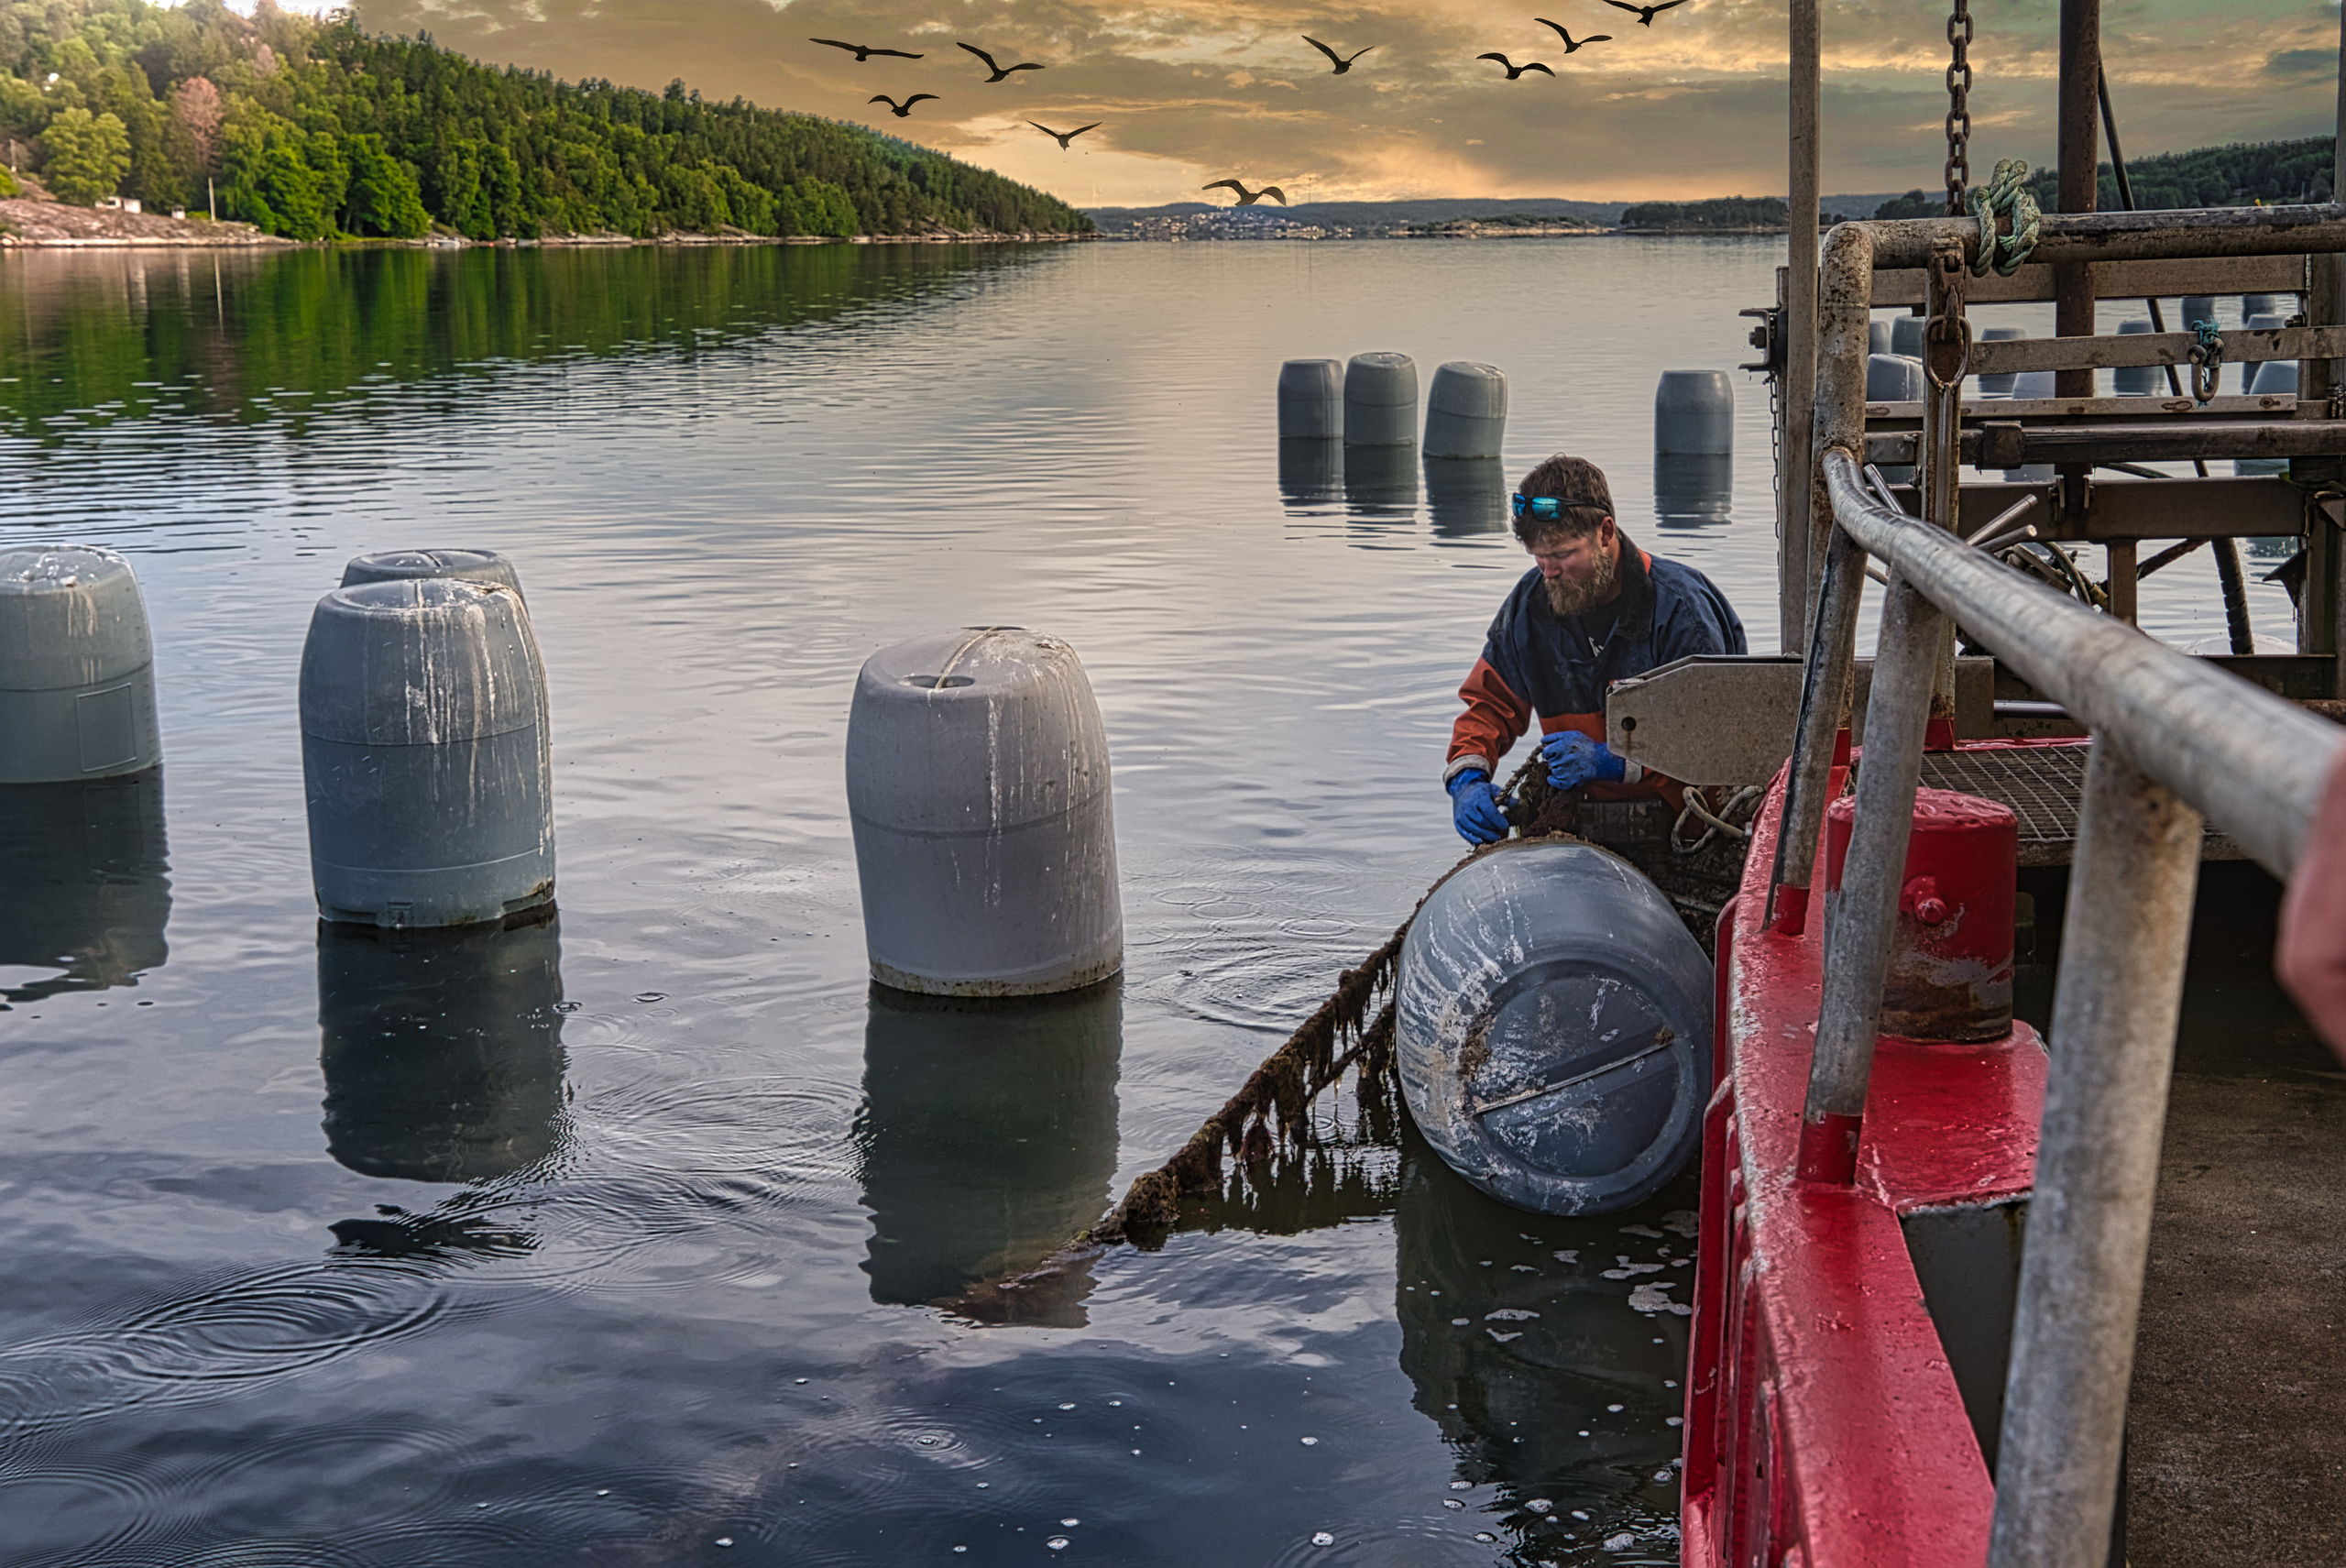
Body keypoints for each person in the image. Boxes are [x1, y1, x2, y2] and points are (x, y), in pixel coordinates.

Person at [1444, 454, 1746, 844]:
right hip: (1582, 824)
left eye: (1563, 554)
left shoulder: (1682, 612)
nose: (1548, 571)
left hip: (1686, 833)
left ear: (1605, 533)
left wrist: (1615, 760)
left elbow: (1716, 745)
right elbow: (1488, 706)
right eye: (1538, 556)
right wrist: (1467, 779)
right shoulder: (1530, 605)